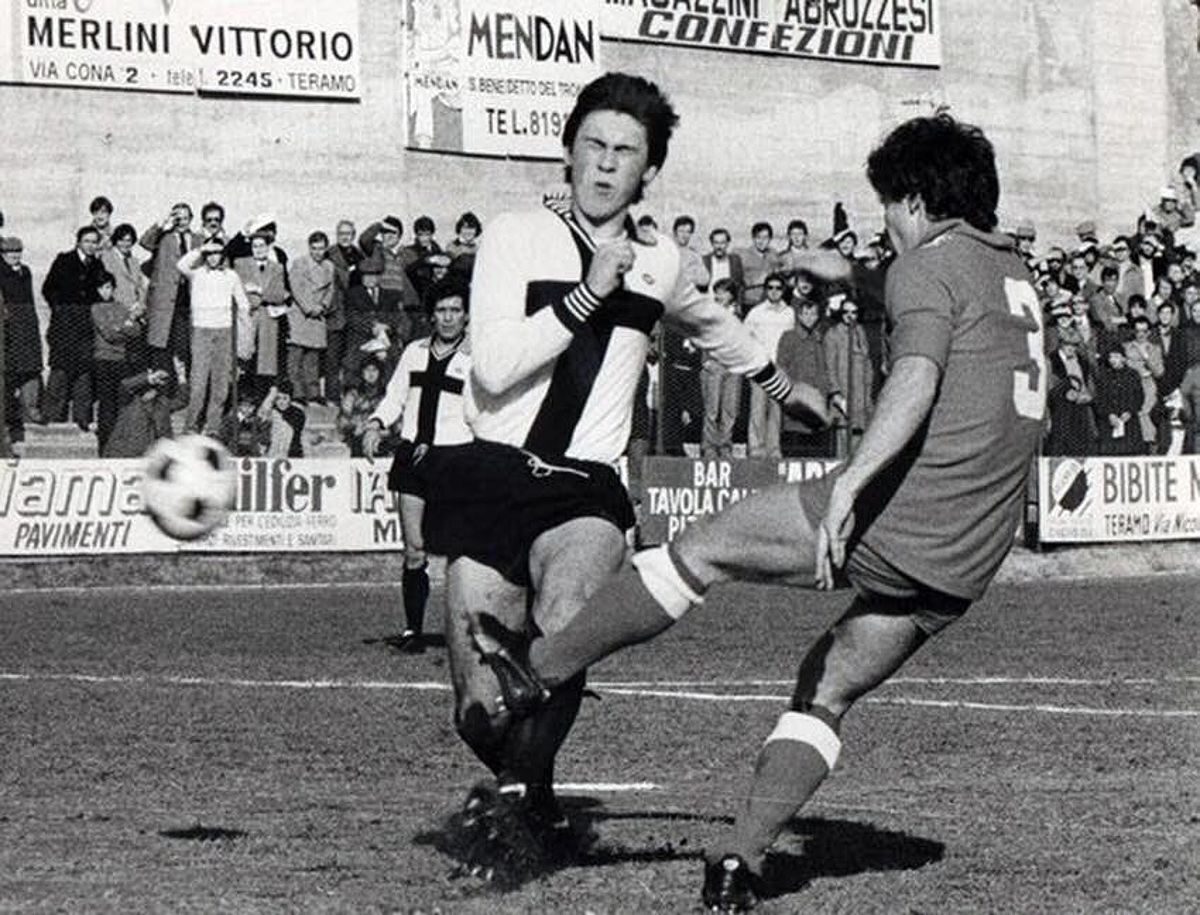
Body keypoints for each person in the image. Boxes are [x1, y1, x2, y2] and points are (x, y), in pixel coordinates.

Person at [474, 113, 1047, 912]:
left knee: (700, 550)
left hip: (905, 513)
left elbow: (916, 376)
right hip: (970, 554)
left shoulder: (928, 268)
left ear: (914, 201)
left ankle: (536, 672)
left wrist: (848, 487)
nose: (884, 221)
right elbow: (924, 302)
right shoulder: (1009, 273)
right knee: (825, 688)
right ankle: (739, 859)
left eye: (887, 204)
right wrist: (836, 268)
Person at [421, 71, 826, 868]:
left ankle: (508, 804)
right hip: (492, 474)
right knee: (479, 711)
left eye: (626, 152)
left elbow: (715, 328)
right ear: (568, 151)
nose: (606, 164)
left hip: (584, 485)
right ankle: (532, 799)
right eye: (594, 145)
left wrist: (786, 388)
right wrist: (584, 295)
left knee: (568, 615)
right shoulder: (510, 235)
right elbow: (496, 368)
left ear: (649, 171)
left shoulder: (663, 260)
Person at [362, 276, 473, 654]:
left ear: (466, 315)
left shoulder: (475, 358)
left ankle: (467, 631)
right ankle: (413, 632)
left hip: (457, 459)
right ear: (431, 315)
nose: (448, 318)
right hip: (412, 458)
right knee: (414, 548)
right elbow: (395, 397)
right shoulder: (414, 352)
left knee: (462, 550)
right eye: (441, 311)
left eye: (455, 310)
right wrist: (377, 423)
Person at [177, 240, 252, 436]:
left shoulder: (231, 276)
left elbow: (243, 303)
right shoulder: (197, 273)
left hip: (224, 333)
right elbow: (181, 265)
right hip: (201, 332)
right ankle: (191, 426)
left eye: (217, 253)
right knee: (199, 383)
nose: (213, 256)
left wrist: (245, 331)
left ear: (223, 255)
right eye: (209, 253)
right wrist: (202, 247)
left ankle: (213, 427)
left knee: (220, 384)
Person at [42, 225, 107, 428]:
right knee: (60, 372)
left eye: (94, 242)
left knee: (84, 374)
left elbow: (100, 292)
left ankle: (82, 419)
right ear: (78, 242)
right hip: (64, 326)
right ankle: (53, 417)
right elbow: (48, 288)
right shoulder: (64, 260)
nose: (90, 245)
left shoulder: (97, 265)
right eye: (86, 241)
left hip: (86, 327)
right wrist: (61, 309)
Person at [140, 203, 201, 377]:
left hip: (188, 303)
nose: (182, 222)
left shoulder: (198, 240)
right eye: (178, 218)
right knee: (162, 349)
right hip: (165, 304)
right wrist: (162, 224)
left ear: (191, 219)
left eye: (185, 218)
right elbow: (145, 242)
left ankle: (185, 391)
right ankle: (165, 393)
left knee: (186, 349)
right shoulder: (163, 238)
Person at [90, 270, 144, 453]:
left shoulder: (121, 307)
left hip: (121, 360)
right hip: (103, 361)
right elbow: (108, 334)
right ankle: (105, 445)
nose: (105, 292)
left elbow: (136, 331)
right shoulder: (96, 308)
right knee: (106, 405)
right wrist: (125, 326)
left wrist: (122, 327)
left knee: (122, 402)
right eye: (101, 288)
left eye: (108, 287)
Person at [743, 272, 796, 457]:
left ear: (783, 290)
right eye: (770, 288)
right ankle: (756, 449)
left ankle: (774, 450)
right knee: (757, 409)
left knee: (776, 412)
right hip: (760, 368)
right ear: (766, 290)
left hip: (779, 369)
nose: (774, 292)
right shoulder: (756, 312)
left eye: (778, 288)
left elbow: (791, 341)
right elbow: (745, 338)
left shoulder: (789, 313)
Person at [0, 237, 43, 436]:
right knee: (10, 371)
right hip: (8, 327)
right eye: (10, 252)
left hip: (26, 324)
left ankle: (31, 409)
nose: (15, 256)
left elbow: (30, 298)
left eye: (18, 251)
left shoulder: (25, 271)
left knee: (31, 368)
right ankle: (10, 415)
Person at [824, 296, 875, 457]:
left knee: (860, 447)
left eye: (854, 312)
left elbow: (867, 364)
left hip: (862, 399)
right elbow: (829, 368)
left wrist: (868, 397)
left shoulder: (861, 332)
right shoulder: (833, 334)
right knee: (843, 449)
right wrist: (837, 396)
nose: (850, 315)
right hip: (844, 398)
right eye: (846, 312)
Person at [287, 231, 335, 404]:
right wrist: (309, 308)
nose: (317, 252)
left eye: (321, 249)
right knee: (296, 358)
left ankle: (313, 393)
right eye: (314, 249)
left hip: (318, 316)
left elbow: (331, 290)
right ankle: (297, 393)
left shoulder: (329, 266)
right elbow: (296, 288)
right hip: (301, 316)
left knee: (313, 359)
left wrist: (322, 306)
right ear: (309, 248)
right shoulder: (299, 264)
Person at [699, 278, 743, 458]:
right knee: (712, 409)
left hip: (733, 366)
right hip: (714, 364)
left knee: (730, 409)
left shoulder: (738, 316)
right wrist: (706, 360)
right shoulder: (709, 314)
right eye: (716, 291)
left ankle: (725, 445)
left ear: (732, 296)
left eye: (723, 292)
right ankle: (709, 445)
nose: (719, 296)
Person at [101, 368, 173, 458]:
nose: (153, 392)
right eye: (150, 389)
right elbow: (125, 385)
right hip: (121, 454)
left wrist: (182, 378)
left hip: (145, 456)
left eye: (155, 390)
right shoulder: (128, 402)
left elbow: (182, 400)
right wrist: (150, 379)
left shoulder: (160, 405)